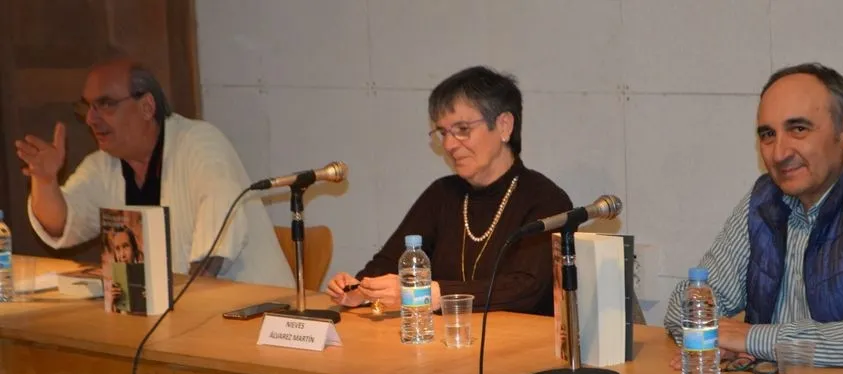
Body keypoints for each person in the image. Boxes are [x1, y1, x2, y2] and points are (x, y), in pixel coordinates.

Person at [664, 62, 843, 369]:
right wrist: (718, 341)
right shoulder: (764, 200)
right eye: (767, 134)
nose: (779, 153)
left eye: (798, 129)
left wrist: (751, 340)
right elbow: (686, 307)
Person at [13, 57, 294, 288]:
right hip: (170, 321)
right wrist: (46, 181)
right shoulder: (105, 164)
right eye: (87, 107)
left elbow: (212, 257)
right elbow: (61, 225)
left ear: (147, 106)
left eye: (106, 104)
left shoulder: (200, 144)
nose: (91, 119)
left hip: (250, 316)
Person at [326, 66, 573, 315]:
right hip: (447, 343)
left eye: (462, 130)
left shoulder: (546, 200)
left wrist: (429, 295)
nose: (449, 145)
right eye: (443, 132)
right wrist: (360, 288)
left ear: (504, 126)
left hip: (520, 347)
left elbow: (526, 289)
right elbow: (389, 262)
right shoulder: (443, 194)